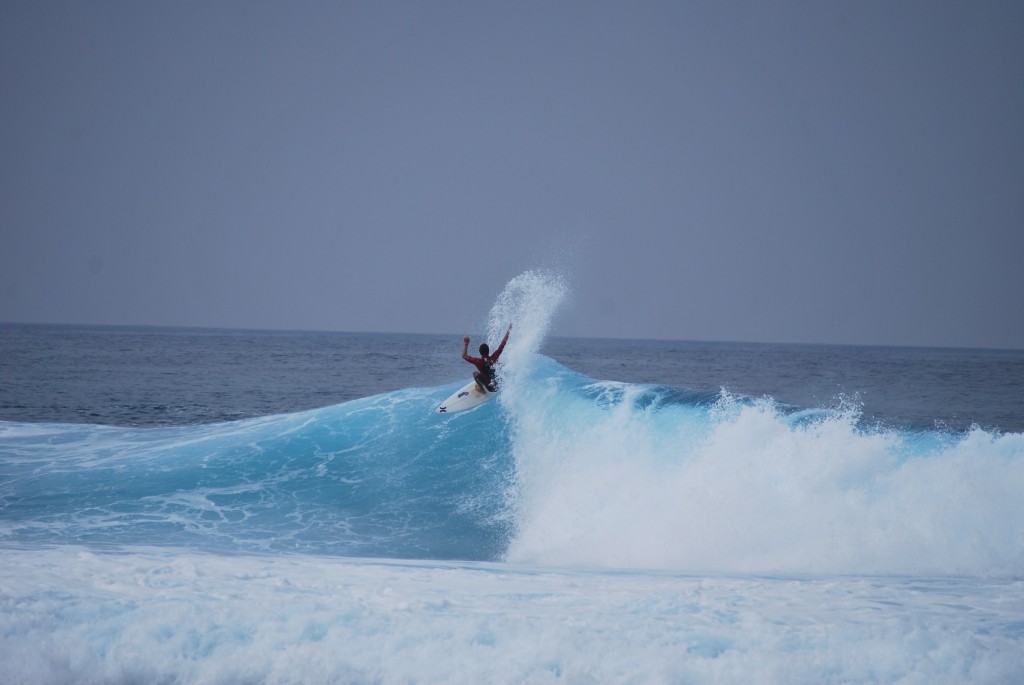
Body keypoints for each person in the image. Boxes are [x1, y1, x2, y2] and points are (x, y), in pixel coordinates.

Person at [462, 324, 512, 393]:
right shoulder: (494, 356)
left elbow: (464, 356)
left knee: (475, 373)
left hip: (490, 388)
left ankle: (481, 389)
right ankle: (497, 381)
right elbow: (503, 343)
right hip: (499, 386)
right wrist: (509, 330)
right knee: (500, 365)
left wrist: (466, 344)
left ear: (480, 352)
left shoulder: (478, 361)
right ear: (488, 351)